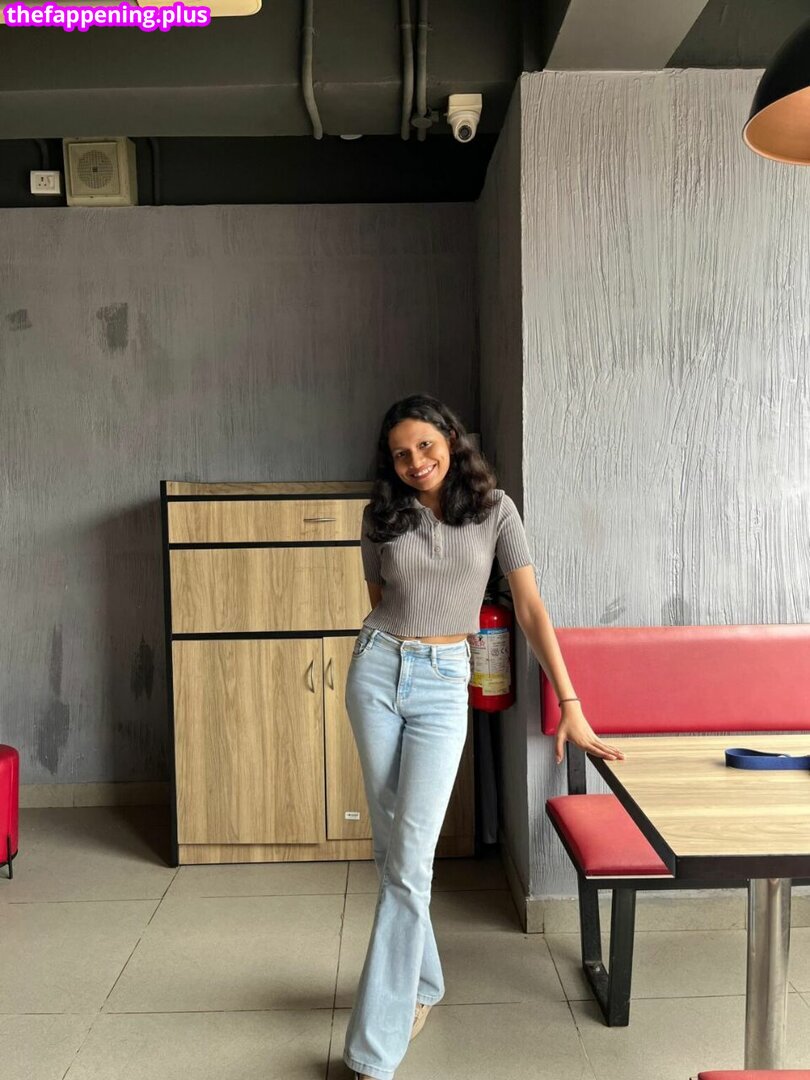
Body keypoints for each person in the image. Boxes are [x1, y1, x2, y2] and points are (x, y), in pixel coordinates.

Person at [343, 393, 623, 1080]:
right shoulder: (379, 516)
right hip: (377, 669)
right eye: (401, 454)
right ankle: (423, 983)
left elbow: (530, 608)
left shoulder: (495, 510)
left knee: (410, 859)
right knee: (393, 849)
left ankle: (374, 1047)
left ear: (451, 439)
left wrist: (571, 702)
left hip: (445, 682)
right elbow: (381, 601)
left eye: (425, 445)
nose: (415, 462)